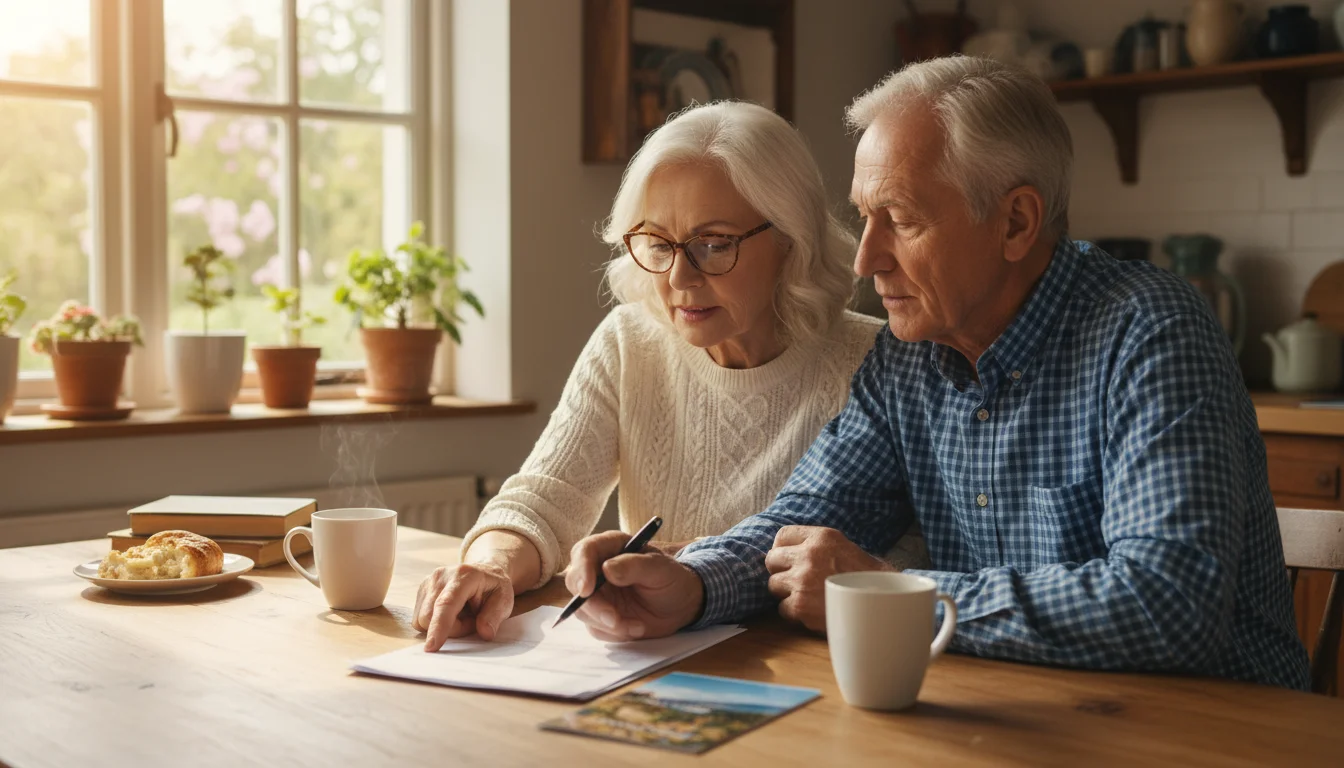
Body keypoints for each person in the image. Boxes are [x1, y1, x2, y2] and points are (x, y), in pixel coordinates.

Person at [562, 57, 1311, 690]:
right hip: (1019, 721)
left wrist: (896, 598)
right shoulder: (909, 354)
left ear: (1016, 222)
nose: (866, 259)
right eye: (865, 217)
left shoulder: (1151, 333)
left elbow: (1167, 608)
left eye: (903, 219)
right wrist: (688, 586)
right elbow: (801, 524)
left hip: (1218, 733)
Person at [414, 101, 927, 651]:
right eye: (659, 243)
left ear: (790, 240)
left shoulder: (878, 360)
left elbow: (903, 559)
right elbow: (546, 496)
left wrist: (691, 566)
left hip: (807, 666)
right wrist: (491, 565)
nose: (680, 276)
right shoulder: (629, 341)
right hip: (659, 660)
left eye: (713, 244)